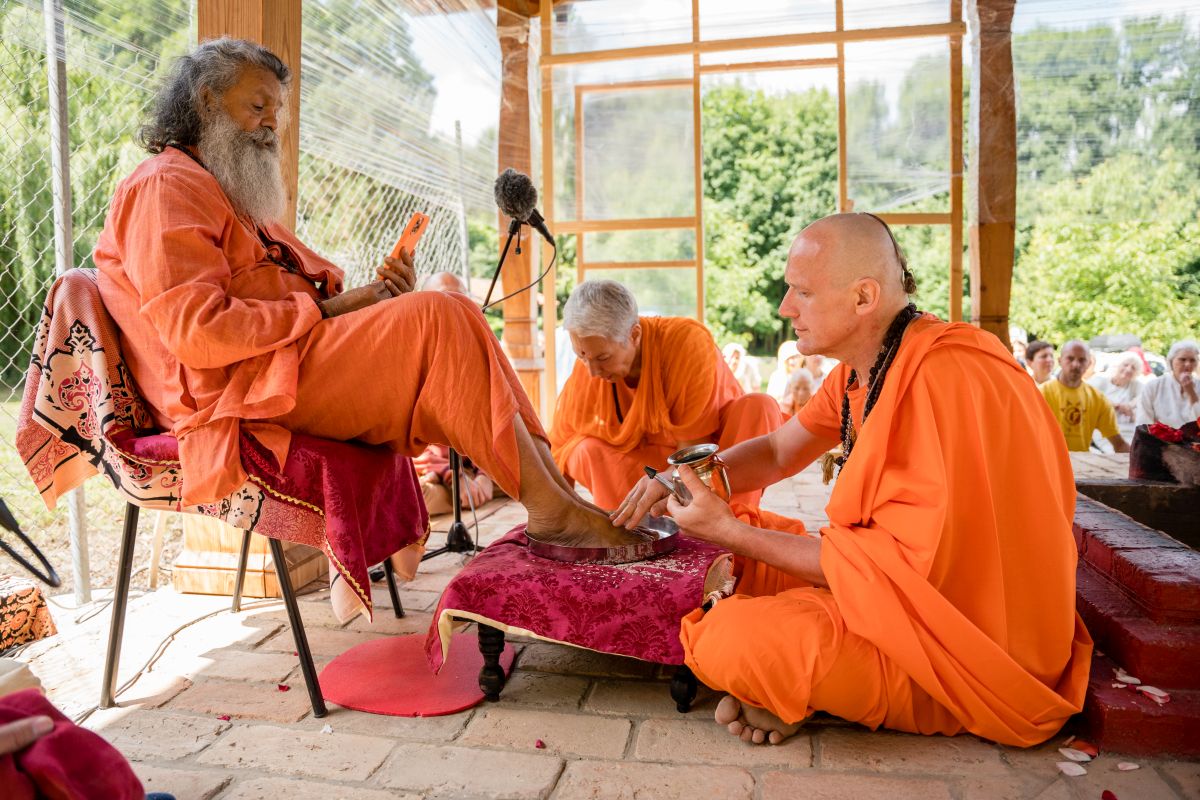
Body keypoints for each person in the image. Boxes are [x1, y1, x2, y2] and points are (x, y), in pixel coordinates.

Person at [92, 38, 634, 549]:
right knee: (440, 316)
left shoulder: (226, 192)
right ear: (206, 100)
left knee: (450, 311)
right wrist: (329, 309)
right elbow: (198, 332)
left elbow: (296, 295)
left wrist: (375, 300)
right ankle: (555, 512)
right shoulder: (166, 185)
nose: (270, 125)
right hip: (235, 391)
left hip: (283, 364)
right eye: (257, 105)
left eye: (276, 111)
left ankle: (560, 502)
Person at [611, 212, 1090, 747]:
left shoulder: (943, 376)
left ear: (864, 297)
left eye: (802, 292)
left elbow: (895, 569)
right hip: (894, 596)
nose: (784, 308)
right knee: (731, 546)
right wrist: (688, 477)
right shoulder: (865, 367)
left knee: (729, 636)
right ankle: (798, 688)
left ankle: (806, 688)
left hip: (966, 643)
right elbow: (775, 451)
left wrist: (729, 531)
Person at [550, 280, 782, 510]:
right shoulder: (589, 366)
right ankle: (631, 525)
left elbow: (692, 459)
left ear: (634, 335)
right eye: (581, 356)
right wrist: (563, 519)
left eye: (603, 358)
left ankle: (734, 522)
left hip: (709, 464)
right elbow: (560, 447)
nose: (592, 371)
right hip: (649, 473)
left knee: (760, 407)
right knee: (583, 449)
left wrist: (671, 482)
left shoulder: (686, 342)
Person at [412, 272, 495, 514]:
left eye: (459, 302)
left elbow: (493, 423)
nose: (451, 311)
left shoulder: (476, 352)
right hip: (430, 473)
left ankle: (473, 490)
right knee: (416, 500)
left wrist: (485, 474)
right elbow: (409, 445)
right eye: (442, 302)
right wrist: (452, 475)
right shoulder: (409, 353)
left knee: (527, 471)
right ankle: (465, 492)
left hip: (471, 465)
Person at [1039, 341, 1129, 453]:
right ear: (1060, 361)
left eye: (1082, 360)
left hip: (1082, 464)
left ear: (1089, 364)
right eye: (1070, 359)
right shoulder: (1040, 395)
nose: (1076, 364)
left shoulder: (1098, 399)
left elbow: (1119, 444)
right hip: (1049, 463)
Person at [1136, 340, 1200, 429]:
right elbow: (1144, 421)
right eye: (1182, 359)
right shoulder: (1154, 386)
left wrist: (1191, 393)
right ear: (1171, 361)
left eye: (1192, 360)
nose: (1188, 364)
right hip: (1161, 440)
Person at [1088, 351, 1141, 422]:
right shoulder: (1100, 379)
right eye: (1125, 365)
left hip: (1125, 428)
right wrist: (1117, 406)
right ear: (1117, 365)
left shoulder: (1136, 385)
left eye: (1133, 368)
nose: (1128, 369)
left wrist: (1130, 408)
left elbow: (1143, 400)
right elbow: (1089, 399)